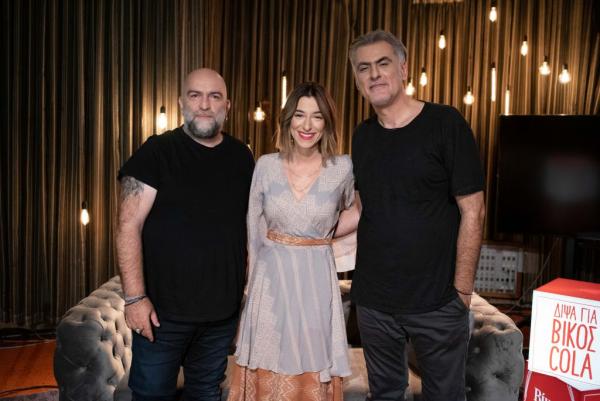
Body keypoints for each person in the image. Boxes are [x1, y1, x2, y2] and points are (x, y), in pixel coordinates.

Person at [348, 30, 486, 401]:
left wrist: (462, 292)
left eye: (383, 63)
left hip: (437, 302)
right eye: (364, 68)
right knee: (385, 395)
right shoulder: (362, 136)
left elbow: (473, 210)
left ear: (403, 69)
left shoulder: (445, 123)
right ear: (358, 80)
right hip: (374, 302)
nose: (374, 74)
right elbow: (363, 208)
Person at [116, 68, 254, 401]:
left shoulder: (242, 157)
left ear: (227, 106)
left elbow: (250, 232)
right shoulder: (157, 152)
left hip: (220, 318)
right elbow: (127, 225)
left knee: (206, 394)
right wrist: (134, 299)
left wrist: (245, 302)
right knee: (151, 396)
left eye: (214, 96)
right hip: (161, 316)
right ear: (181, 103)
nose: (205, 105)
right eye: (195, 95)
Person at [227, 82, 357, 401]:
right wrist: (249, 297)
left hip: (316, 284)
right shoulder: (266, 165)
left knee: (312, 366)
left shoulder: (342, 167)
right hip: (270, 284)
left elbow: (358, 210)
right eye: (299, 115)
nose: (307, 125)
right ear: (288, 119)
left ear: (327, 122)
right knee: (268, 364)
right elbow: (252, 230)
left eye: (317, 116)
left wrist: (323, 233)